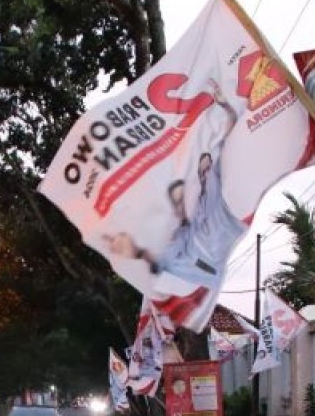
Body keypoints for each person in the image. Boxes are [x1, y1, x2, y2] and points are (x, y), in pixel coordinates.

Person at [102, 81, 246, 291]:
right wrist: (132, 249)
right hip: (199, 279)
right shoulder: (182, 237)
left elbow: (231, 129)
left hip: (215, 262)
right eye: (178, 201)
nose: (180, 206)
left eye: (206, 166)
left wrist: (224, 105)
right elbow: (156, 259)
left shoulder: (215, 193)